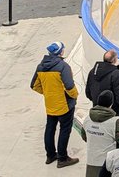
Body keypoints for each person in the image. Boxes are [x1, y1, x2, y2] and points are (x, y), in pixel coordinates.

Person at [31, 40, 79, 168]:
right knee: (65, 130)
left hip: (50, 104)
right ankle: (62, 158)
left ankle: (50, 155)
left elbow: (34, 85)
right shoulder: (63, 66)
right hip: (64, 105)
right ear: (60, 52)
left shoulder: (40, 66)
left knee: (50, 129)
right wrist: (75, 96)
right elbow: (69, 86)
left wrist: (47, 93)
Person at [83, 90, 119, 177]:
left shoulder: (87, 119)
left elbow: (84, 137)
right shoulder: (116, 122)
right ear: (111, 104)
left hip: (91, 161)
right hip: (109, 164)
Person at [85, 49, 119, 119]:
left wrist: (96, 102)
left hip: (97, 109)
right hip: (114, 113)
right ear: (115, 60)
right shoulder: (117, 75)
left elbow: (88, 93)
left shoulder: (92, 72)